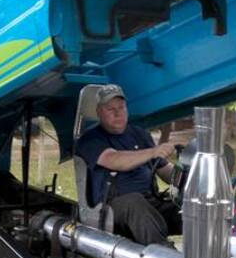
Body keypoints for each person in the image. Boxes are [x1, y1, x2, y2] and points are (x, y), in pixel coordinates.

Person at [74, 84, 181, 245]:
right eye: (110, 109)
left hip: (149, 200)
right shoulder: (90, 140)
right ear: (99, 112)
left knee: (187, 206)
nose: (118, 113)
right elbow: (114, 160)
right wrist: (153, 152)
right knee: (135, 203)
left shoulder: (140, 134)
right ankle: (165, 255)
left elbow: (163, 168)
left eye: (121, 107)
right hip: (111, 207)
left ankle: (209, 252)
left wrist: (188, 180)